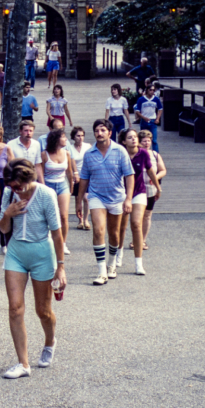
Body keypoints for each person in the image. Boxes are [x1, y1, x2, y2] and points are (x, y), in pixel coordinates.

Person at [0, 159, 63, 379]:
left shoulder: (45, 194)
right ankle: (23, 363)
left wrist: (60, 267)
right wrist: (8, 213)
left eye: (18, 186)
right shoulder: (9, 194)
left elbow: (56, 233)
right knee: (15, 308)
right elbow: (3, 229)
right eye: (12, 186)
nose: (15, 190)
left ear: (28, 179)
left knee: (42, 310)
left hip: (42, 252)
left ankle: (50, 340)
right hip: (16, 251)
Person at [79, 119, 134, 285]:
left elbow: (129, 175)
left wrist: (129, 199)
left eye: (103, 130)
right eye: (97, 130)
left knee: (114, 234)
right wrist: (79, 201)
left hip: (117, 197)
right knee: (98, 230)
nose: (99, 133)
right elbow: (84, 178)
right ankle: (101, 271)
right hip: (96, 196)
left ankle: (111, 264)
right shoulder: (89, 154)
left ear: (110, 133)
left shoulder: (120, 151)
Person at [40, 128, 75, 259]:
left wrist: (71, 186)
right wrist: (42, 187)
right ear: (56, 139)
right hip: (48, 185)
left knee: (64, 216)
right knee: (48, 216)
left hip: (62, 185)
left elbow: (69, 172)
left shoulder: (66, 153)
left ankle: (63, 243)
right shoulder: (45, 154)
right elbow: (41, 172)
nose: (66, 139)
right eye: (63, 137)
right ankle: (48, 241)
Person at [122, 129, 152, 276]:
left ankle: (138, 263)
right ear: (123, 141)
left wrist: (157, 188)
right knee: (120, 227)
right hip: (121, 193)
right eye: (130, 137)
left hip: (139, 191)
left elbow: (150, 170)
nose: (134, 139)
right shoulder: (120, 154)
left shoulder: (143, 153)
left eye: (135, 137)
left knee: (136, 224)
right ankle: (118, 255)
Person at [141, 129, 167, 244]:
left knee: (147, 215)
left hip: (151, 189)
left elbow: (163, 170)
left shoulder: (155, 155)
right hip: (138, 189)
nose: (146, 143)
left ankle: (142, 240)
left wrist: (155, 178)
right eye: (144, 141)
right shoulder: (135, 154)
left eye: (148, 141)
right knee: (137, 216)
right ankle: (136, 240)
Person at [68, 125, 93, 230]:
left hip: (87, 175)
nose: (80, 138)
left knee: (86, 199)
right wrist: (74, 173)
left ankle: (86, 219)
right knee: (78, 198)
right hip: (76, 176)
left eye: (82, 135)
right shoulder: (70, 148)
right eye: (78, 136)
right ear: (73, 137)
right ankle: (80, 220)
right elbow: (69, 162)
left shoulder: (88, 146)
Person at [134, 83, 165, 152]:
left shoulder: (156, 99)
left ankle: (156, 155)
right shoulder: (141, 99)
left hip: (153, 121)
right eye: (151, 90)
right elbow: (137, 111)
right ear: (147, 90)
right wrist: (143, 117)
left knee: (154, 140)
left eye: (154, 90)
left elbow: (160, 109)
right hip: (144, 121)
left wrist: (157, 118)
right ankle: (143, 152)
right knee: (143, 139)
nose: (152, 92)